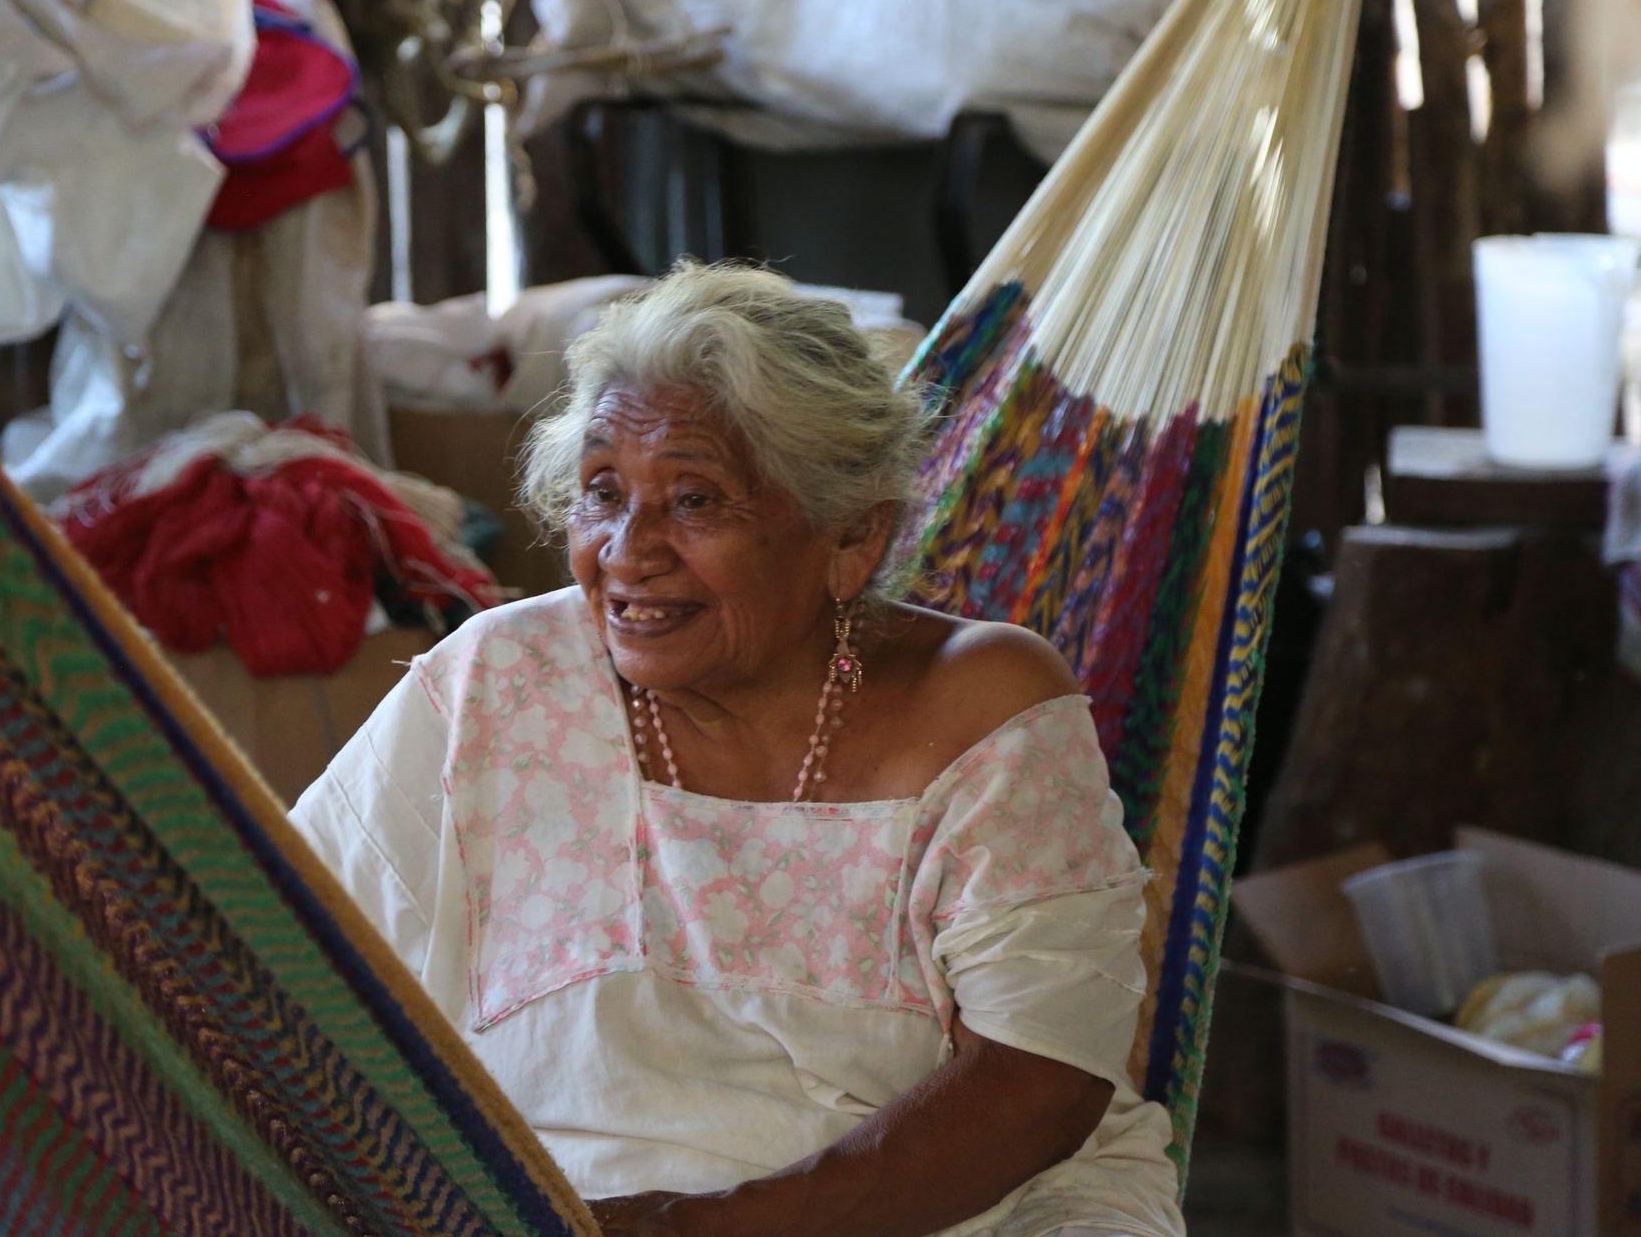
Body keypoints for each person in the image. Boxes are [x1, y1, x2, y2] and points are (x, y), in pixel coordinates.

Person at [289, 263, 1186, 1237]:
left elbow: (1038, 1081)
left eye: (695, 499)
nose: (627, 550)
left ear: (849, 536)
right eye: (601, 491)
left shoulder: (982, 708)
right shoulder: (499, 681)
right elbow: (283, 954)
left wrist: (696, 1229)